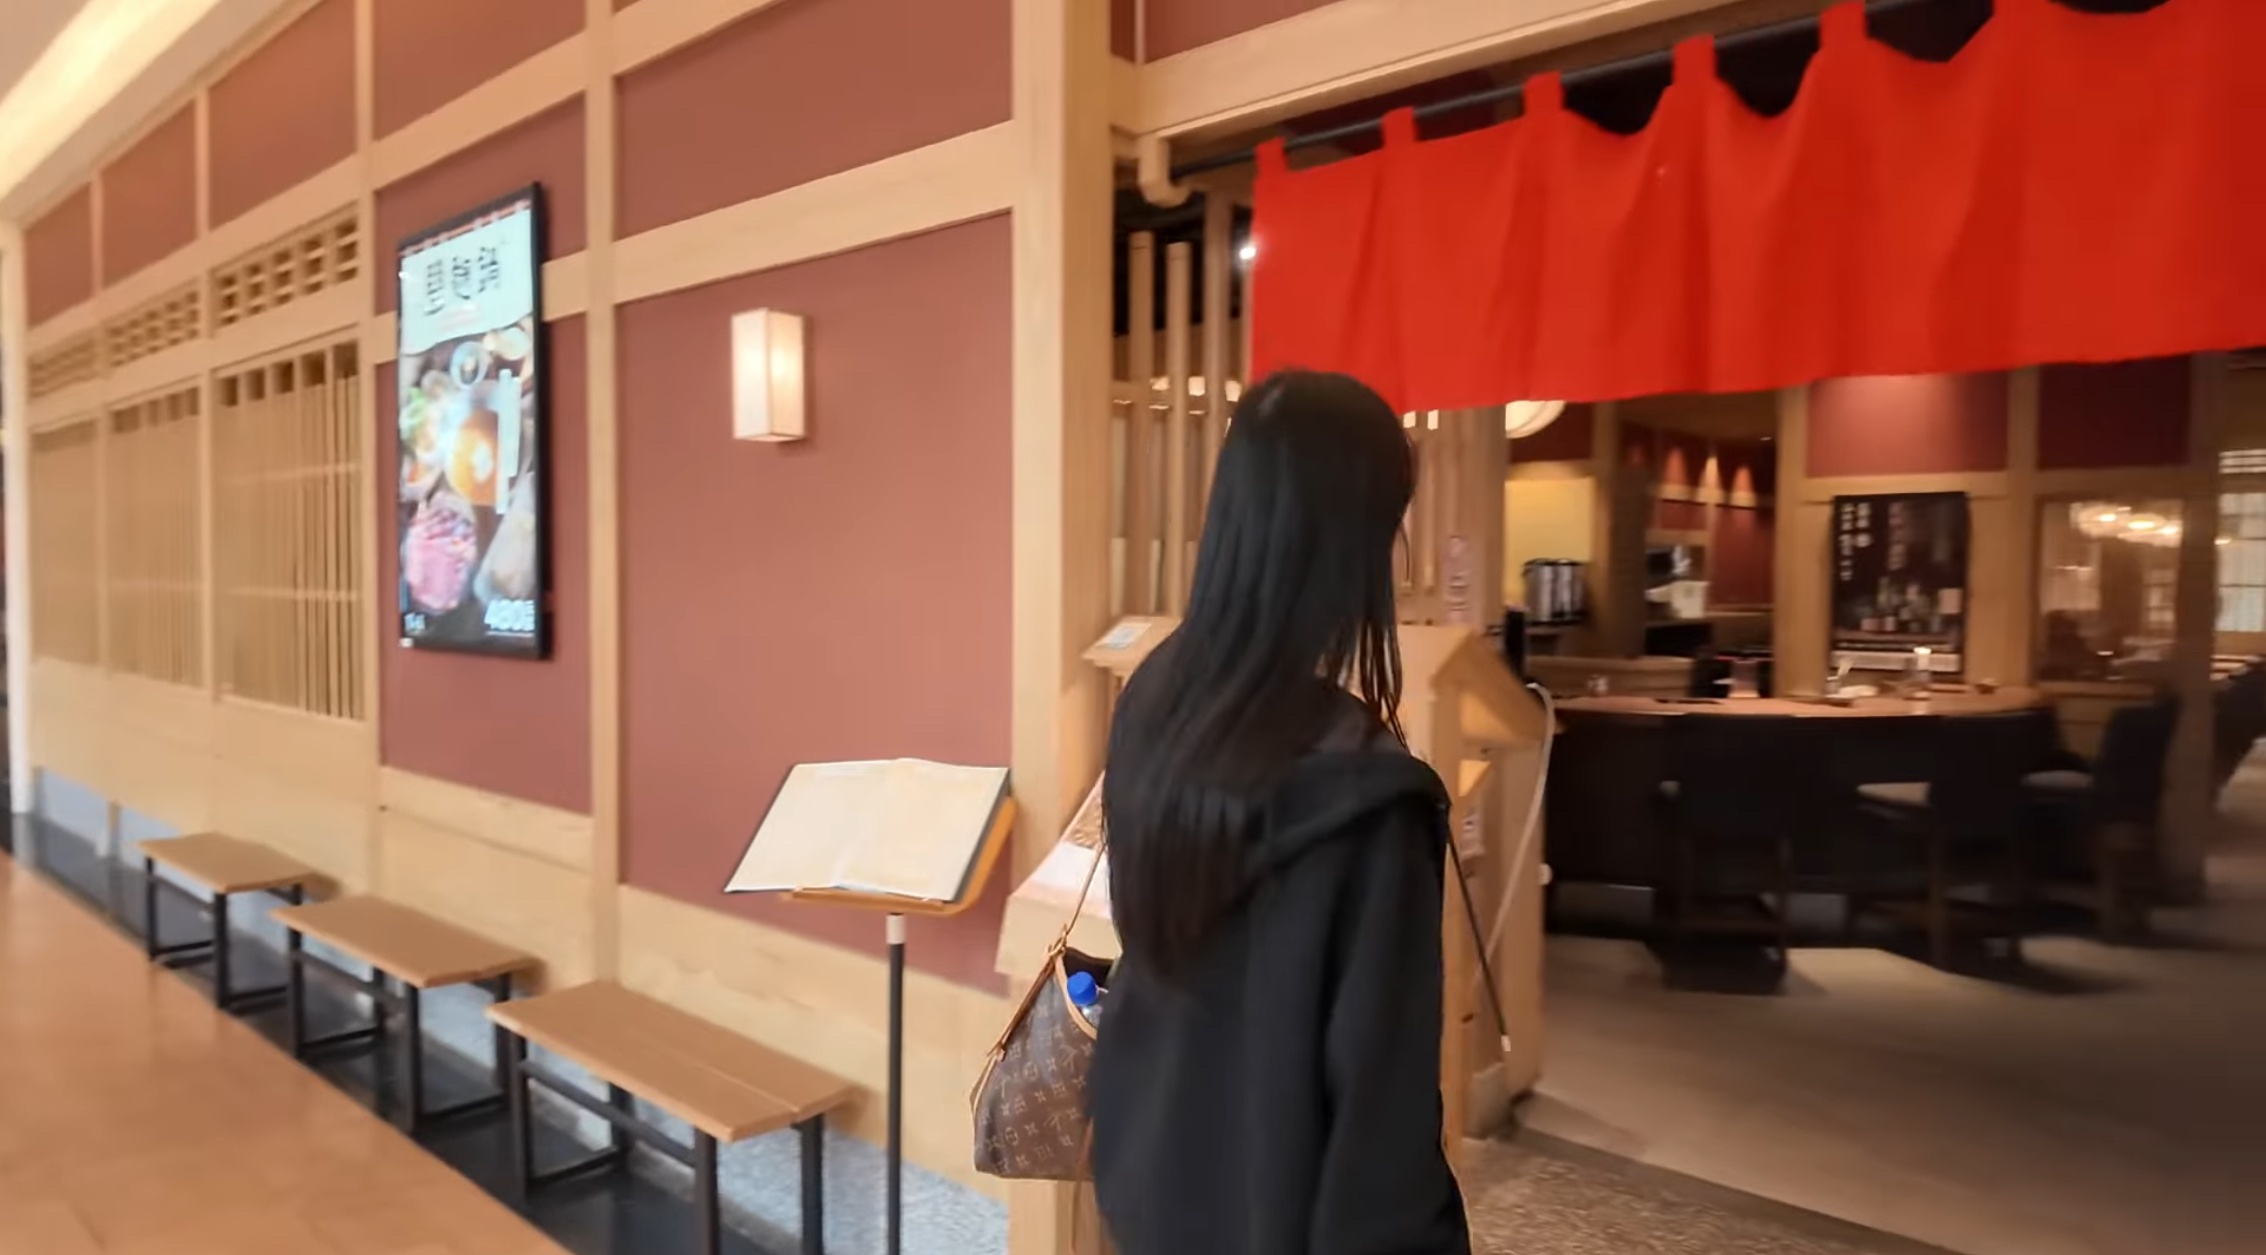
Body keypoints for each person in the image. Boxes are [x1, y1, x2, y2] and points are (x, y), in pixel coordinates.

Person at [1088, 370, 1470, 1255]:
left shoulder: (1156, 696)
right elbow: (1382, 1114)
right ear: (1359, 543)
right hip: (1283, 1212)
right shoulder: (1370, 798)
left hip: (1151, 1169)